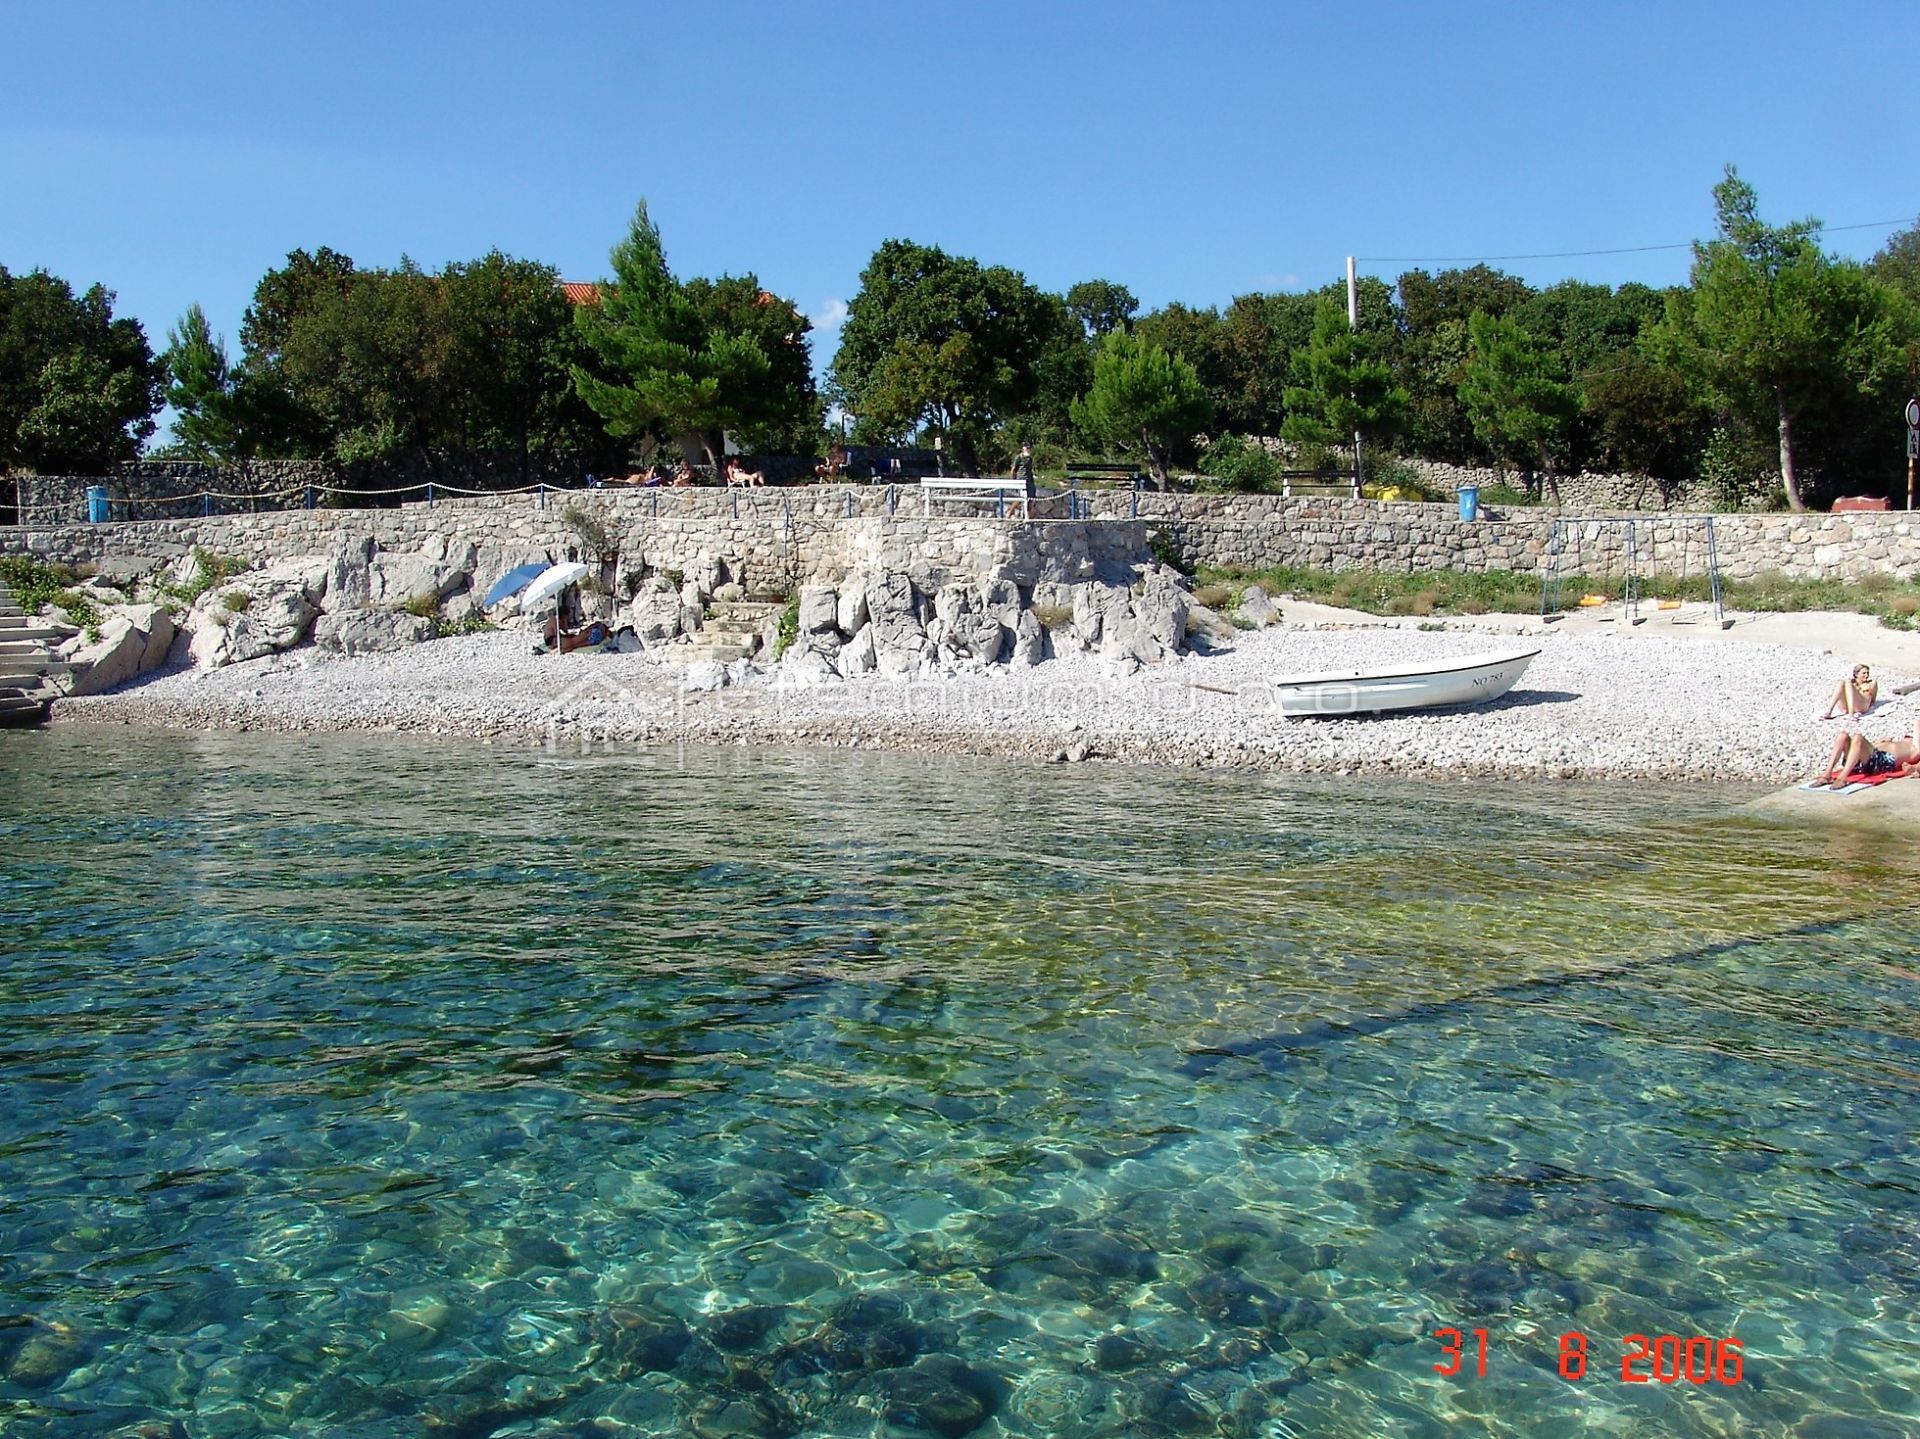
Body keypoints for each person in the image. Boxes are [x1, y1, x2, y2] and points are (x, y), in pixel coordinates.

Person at [1809, 720, 1920, 788]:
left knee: (1858, 737)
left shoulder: (1915, 749)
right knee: (1842, 736)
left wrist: (1914, 769)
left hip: (1880, 763)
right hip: (1863, 759)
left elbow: (1917, 723)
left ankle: (1842, 777)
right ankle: (1827, 774)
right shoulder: (1901, 742)